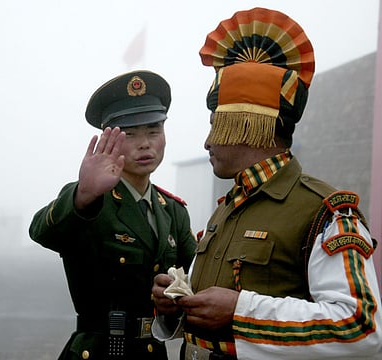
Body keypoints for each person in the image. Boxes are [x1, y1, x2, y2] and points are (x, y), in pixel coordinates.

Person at [151, 7, 382, 360]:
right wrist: (175, 308)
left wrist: (242, 311)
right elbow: (212, 322)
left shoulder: (324, 211)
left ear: (245, 123)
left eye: (215, 125)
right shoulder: (226, 209)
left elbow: (360, 326)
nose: (207, 142)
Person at [29, 70, 197, 360]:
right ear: (109, 139)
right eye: (130, 134)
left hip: (152, 351)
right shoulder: (91, 199)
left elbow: (195, 277)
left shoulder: (172, 211)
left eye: (154, 131)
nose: (145, 143)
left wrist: (175, 296)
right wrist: (83, 194)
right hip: (99, 351)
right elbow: (41, 231)